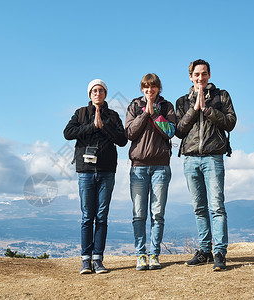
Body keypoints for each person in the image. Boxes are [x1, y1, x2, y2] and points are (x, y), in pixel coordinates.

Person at [175, 59, 237, 271]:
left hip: (213, 157)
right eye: (196, 74)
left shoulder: (222, 96)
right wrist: (195, 108)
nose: (200, 78)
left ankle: (219, 252)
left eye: (204, 74)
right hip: (190, 158)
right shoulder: (182, 101)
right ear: (190, 77)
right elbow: (179, 130)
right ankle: (204, 251)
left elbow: (231, 122)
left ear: (209, 75)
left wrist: (208, 110)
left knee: (217, 207)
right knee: (199, 208)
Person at [64, 79, 128, 274]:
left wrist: (104, 127)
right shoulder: (80, 113)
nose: (97, 93)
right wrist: (92, 126)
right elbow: (68, 133)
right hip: (85, 171)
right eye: (94, 90)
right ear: (89, 94)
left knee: (102, 216)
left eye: (101, 90)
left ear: (105, 94)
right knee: (86, 216)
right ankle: (85, 260)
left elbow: (123, 140)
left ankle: (98, 259)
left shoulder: (113, 115)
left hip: (107, 170)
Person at [125, 73, 176, 271]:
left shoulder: (166, 106)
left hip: (161, 167)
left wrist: (155, 113)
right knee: (139, 214)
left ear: (158, 88)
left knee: (157, 214)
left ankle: (154, 254)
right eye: (146, 87)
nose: (149, 90)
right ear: (142, 89)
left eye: (153, 87)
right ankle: (140, 255)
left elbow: (170, 131)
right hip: (138, 167)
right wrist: (145, 113)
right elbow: (129, 133)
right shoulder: (134, 106)